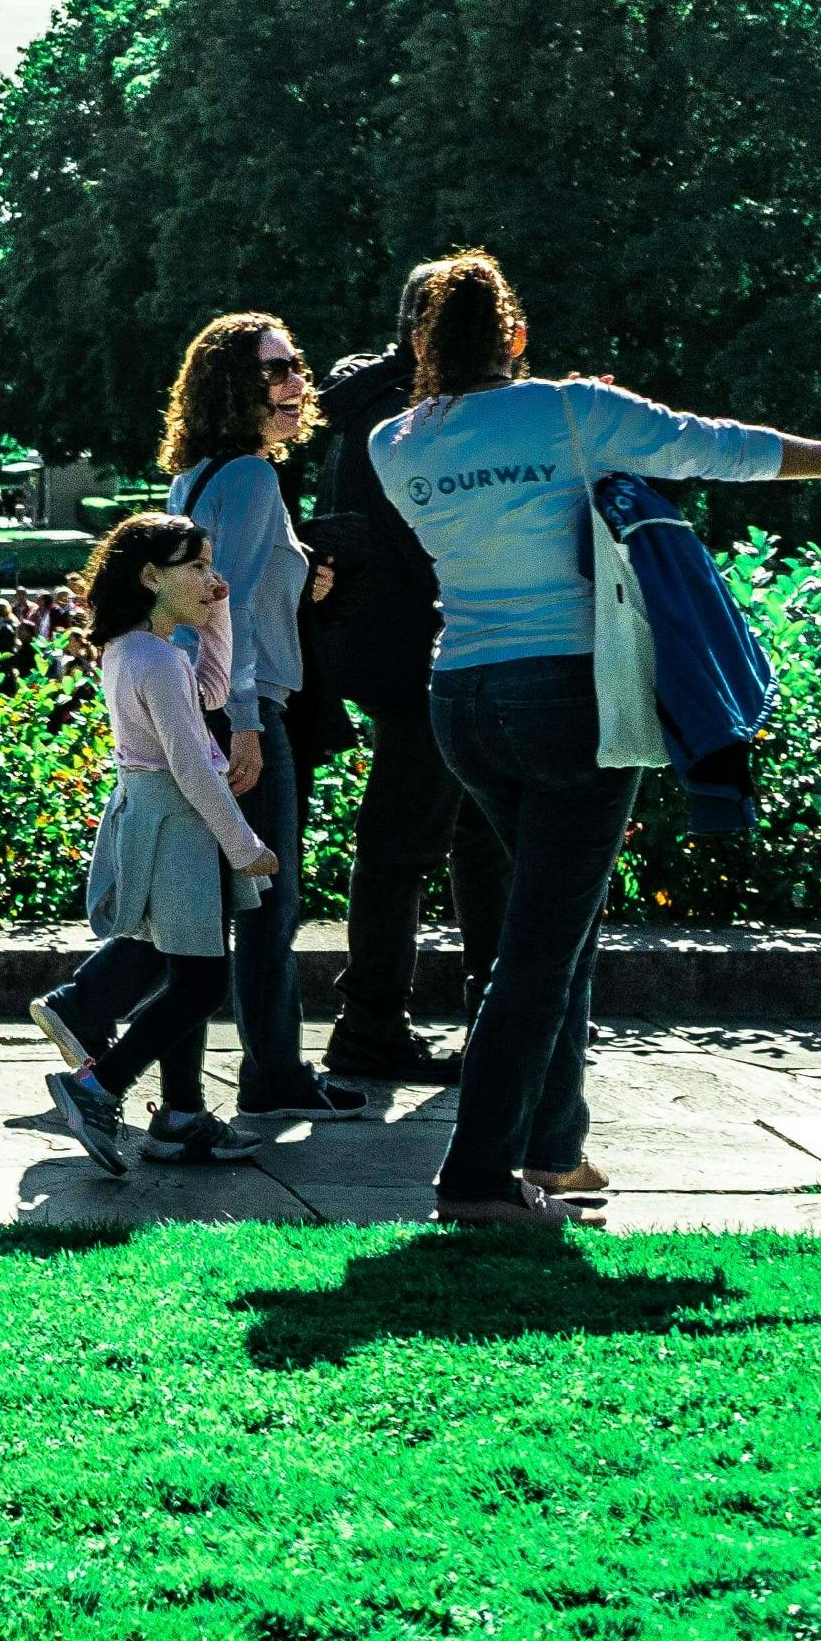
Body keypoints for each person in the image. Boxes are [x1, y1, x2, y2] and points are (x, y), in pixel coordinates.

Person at [372, 250, 821, 1227]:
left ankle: (553, 1149)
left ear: (421, 344)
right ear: (513, 334)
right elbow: (718, 445)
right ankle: (473, 1177)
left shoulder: (395, 442)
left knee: (555, 924)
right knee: (537, 948)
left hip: (460, 701)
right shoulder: (568, 412)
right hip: (568, 700)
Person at [159, 315, 367, 1122]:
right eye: (274, 372)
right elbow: (227, 603)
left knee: (215, 896)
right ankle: (274, 1073)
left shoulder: (202, 476)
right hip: (244, 710)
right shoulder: (249, 476)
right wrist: (245, 722)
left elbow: (224, 585)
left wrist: (300, 581)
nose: (294, 385)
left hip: (206, 702)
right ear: (232, 389)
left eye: (295, 367)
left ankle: (253, 1069)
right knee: (268, 901)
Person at [30, 514, 282, 1173]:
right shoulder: (156, 661)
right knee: (200, 982)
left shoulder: (137, 651)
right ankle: (98, 1087)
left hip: (161, 822)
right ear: (149, 577)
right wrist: (243, 843)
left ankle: (177, 1118)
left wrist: (216, 620)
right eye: (195, 566)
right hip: (179, 830)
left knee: (188, 973)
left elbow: (213, 693)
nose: (211, 579)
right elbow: (193, 766)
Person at [308, 266, 507, 1084]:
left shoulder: (362, 404)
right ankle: (382, 1025)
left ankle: (450, 1014)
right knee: (428, 840)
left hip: (382, 643)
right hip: (435, 644)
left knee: (448, 835)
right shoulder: (415, 420)